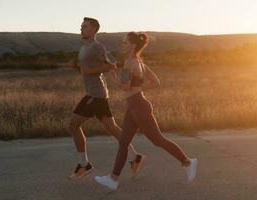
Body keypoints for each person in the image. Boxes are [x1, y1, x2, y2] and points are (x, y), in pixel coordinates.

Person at [94, 32, 198, 190]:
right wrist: (138, 88)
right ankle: (113, 179)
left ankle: (188, 162)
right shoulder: (139, 61)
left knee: (157, 140)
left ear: (133, 45)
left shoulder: (130, 62)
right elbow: (156, 82)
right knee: (123, 142)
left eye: (125, 42)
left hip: (139, 107)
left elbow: (125, 87)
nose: (122, 45)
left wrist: (113, 76)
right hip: (135, 106)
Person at [67, 18, 144, 181]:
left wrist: (90, 71)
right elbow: (84, 70)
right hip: (96, 94)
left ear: (94, 29)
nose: (81, 28)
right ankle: (134, 156)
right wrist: (77, 67)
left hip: (96, 94)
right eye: (81, 26)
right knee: (113, 128)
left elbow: (112, 64)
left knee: (73, 125)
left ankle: (84, 164)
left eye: (84, 26)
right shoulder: (83, 49)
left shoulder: (98, 47)